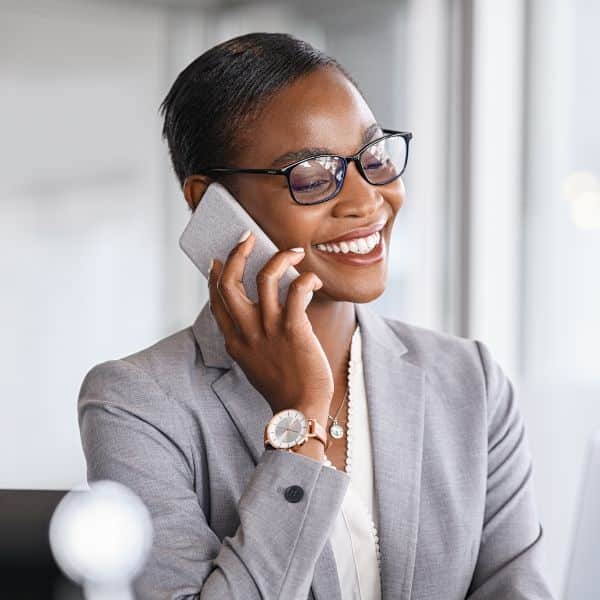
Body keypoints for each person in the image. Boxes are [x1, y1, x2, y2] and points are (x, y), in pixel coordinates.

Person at [77, 32, 555, 600]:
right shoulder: (137, 404)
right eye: (311, 175)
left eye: (373, 158)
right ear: (209, 203)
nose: (366, 200)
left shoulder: (469, 381)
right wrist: (299, 421)